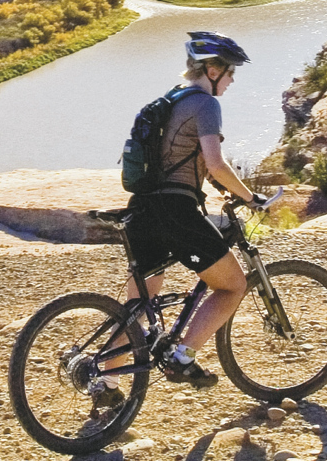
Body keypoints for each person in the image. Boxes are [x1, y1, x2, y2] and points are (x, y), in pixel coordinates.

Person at [93, 32, 270, 405]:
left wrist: (216, 186)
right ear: (212, 70)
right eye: (230, 71)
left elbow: (189, 160)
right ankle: (182, 357)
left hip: (141, 210)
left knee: (139, 309)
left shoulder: (171, 100)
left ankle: (106, 383)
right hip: (174, 212)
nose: (232, 79)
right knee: (232, 286)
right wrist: (249, 197)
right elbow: (216, 163)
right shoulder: (205, 104)